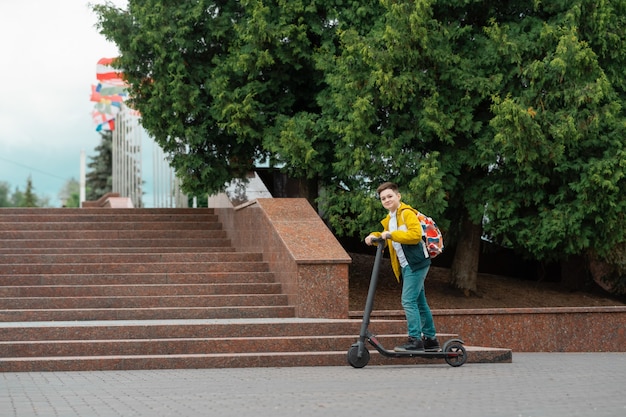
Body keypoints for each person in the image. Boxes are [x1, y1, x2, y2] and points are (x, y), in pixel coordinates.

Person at [364, 181, 440, 352]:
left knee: (408, 300)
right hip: (406, 265)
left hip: (416, 263)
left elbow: (414, 235)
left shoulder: (406, 213)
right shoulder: (390, 219)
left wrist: (391, 235)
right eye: (383, 198)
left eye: (390, 196)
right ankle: (430, 339)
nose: (387, 200)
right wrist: (373, 236)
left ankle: (415, 340)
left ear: (398, 196)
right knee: (420, 302)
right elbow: (386, 234)